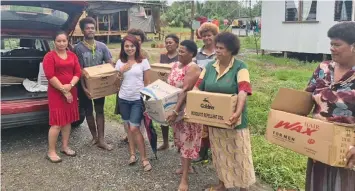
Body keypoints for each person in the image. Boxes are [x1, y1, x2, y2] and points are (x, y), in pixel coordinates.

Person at [195, 32, 255, 191]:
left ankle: (244, 187)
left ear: (231, 51)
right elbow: (197, 87)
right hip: (214, 119)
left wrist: (237, 112)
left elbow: (243, 91)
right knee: (219, 153)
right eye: (217, 47)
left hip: (234, 120)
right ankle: (222, 184)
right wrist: (194, 109)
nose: (217, 51)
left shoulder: (240, 67)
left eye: (221, 48)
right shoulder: (209, 67)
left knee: (239, 154)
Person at [305, 22, 355, 191]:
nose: (332, 48)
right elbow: (306, 97)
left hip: (347, 148)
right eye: (331, 44)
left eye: (337, 44)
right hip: (318, 141)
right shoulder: (323, 68)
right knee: (317, 184)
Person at [166, 40, 202, 191]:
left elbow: (186, 90)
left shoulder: (193, 68)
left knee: (187, 142)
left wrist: (175, 111)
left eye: (182, 52)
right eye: (179, 51)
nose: (179, 54)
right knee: (181, 141)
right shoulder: (175, 65)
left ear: (192, 54)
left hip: (186, 111)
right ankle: (186, 168)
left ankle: (185, 179)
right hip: (176, 109)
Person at [73, 17, 114, 151]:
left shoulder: (102, 46)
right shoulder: (77, 48)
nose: (90, 30)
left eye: (92, 28)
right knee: (88, 111)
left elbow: (110, 64)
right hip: (83, 85)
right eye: (87, 28)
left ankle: (102, 139)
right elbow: (78, 70)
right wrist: (84, 88)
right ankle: (94, 137)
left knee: (100, 110)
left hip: (99, 86)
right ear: (83, 31)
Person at [115, 35, 152, 172]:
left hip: (137, 99)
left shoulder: (143, 62)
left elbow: (147, 82)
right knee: (127, 127)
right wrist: (121, 72)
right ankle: (132, 154)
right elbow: (116, 84)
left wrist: (146, 100)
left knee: (134, 128)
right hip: (123, 98)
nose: (129, 48)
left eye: (132, 46)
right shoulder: (120, 62)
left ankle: (144, 158)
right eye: (127, 46)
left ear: (137, 47)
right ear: (123, 48)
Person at [43, 31, 81, 163]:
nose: (61, 43)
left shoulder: (72, 55)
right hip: (56, 93)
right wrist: (64, 91)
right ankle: (51, 151)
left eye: (64, 41)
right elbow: (50, 76)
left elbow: (77, 72)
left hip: (71, 90)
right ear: (54, 42)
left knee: (67, 121)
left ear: (67, 41)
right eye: (59, 41)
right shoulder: (49, 56)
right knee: (57, 123)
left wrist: (70, 85)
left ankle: (65, 146)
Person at [193, 22, 219, 164]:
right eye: (204, 36)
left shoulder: (220, 52)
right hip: (200, 91)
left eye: (209, 35)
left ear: (215, 36)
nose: (206, 38)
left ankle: (214, 152)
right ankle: (203, 152)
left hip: (216, 91)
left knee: (214, 122)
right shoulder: (197, 53)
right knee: (202, 123)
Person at [158, 34, 180, 151]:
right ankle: (165, 142)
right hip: (163, 90)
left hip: (176, 91)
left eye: (170, 42)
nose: (168, 44)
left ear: (177, 44)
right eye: (166, 42)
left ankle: (178, 144)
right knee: (163, 117)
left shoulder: (181, 57)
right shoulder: (162, 56)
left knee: (177, 118)